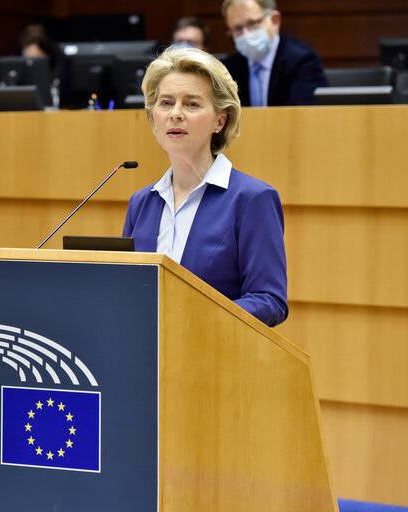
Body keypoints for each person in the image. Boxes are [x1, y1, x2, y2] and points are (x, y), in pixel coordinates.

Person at [122, 46, 288, 326]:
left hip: (215, 357)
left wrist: (197, 318)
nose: (175, 114)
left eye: (192, 104)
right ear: (153, 120)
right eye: (165, 103)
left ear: (220, 121)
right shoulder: (142, 203)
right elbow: (125, 289)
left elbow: (269, 299)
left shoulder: (252, 199)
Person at [221, 0, 327, 106]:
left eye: (252, 23)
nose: (246, 34)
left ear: (274, 20)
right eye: (238, 28)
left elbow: (304, 115)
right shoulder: (227, 70)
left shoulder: (303, 61)